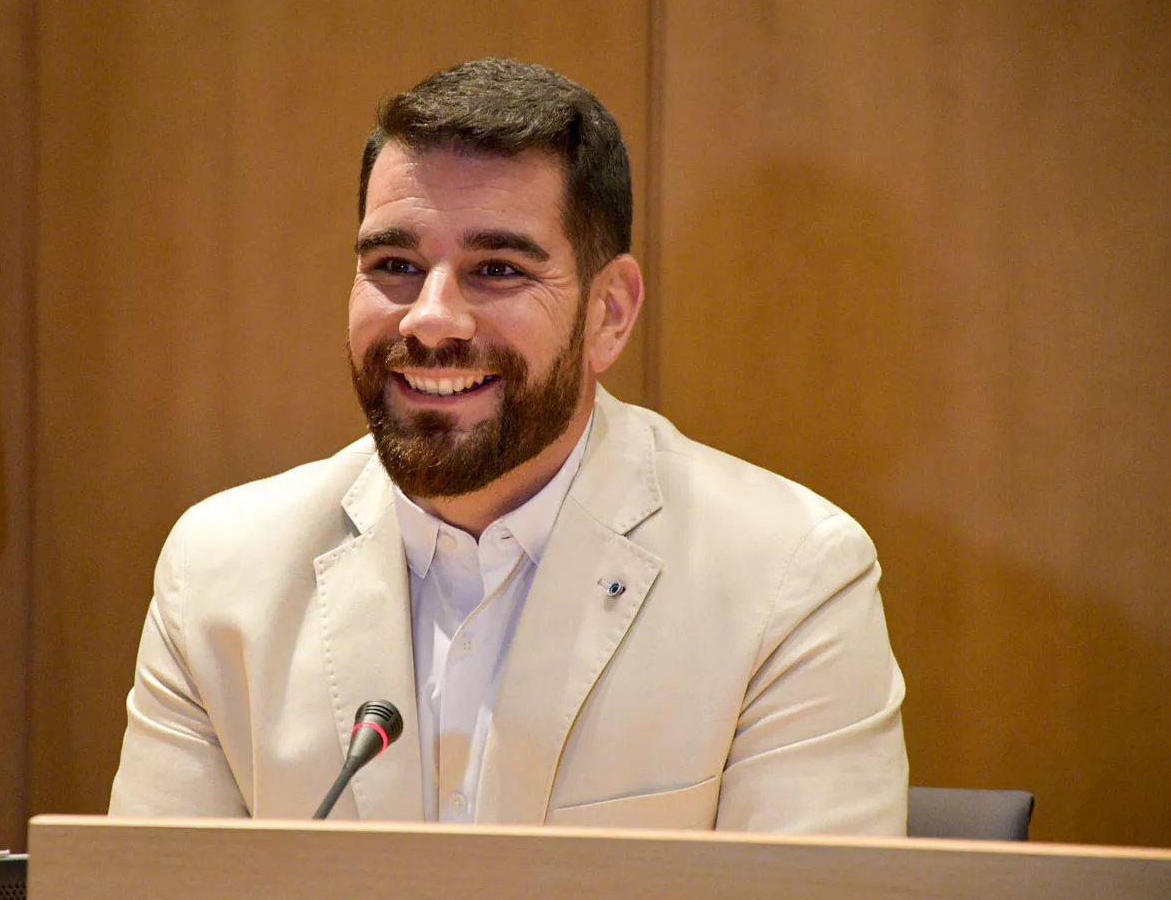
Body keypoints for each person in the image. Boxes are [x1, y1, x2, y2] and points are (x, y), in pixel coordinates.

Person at [108, 58, 907, 834]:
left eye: (495, 268)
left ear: (609, 313)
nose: (430, 318)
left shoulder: (790, 578)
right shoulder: (217, 574)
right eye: (394, 264)